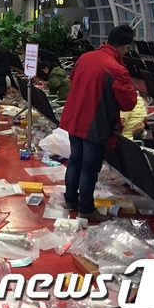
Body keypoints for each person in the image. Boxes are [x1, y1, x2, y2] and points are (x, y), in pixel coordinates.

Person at [59, 25, 137, 223]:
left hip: (74, 118)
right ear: (126, 46)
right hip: (96, 124)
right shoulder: (116, 69)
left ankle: (70, 200)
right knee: (89, 167)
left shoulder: (85, 58)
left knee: (75, 160)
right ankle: (86, 209)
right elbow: (128, 104)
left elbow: (73, 80)